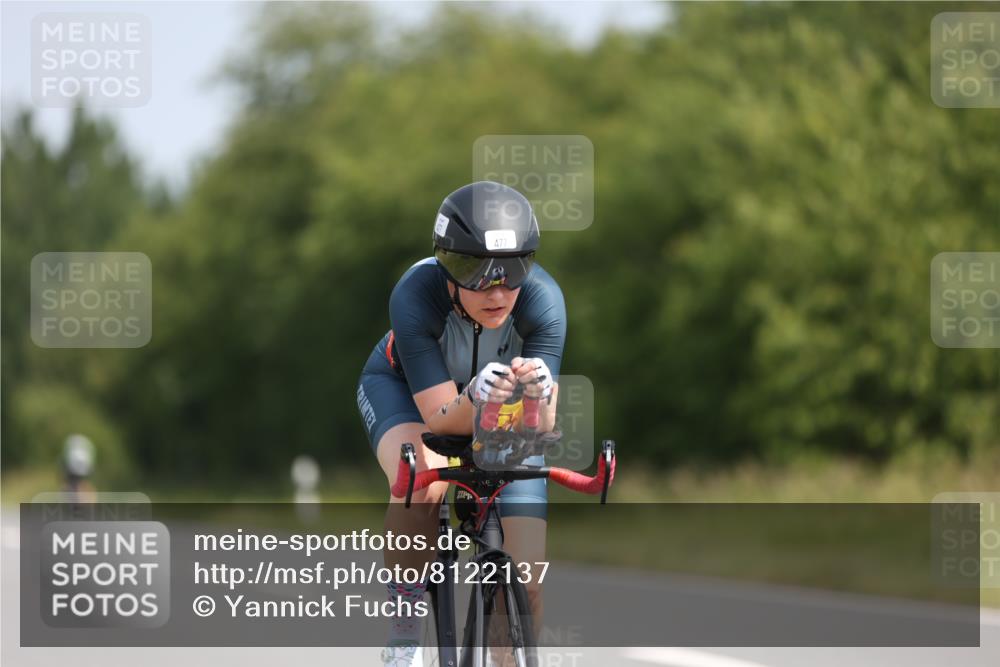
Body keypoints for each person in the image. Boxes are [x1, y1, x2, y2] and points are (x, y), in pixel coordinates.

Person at [357, 181, 565, 666]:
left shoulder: (544, 301)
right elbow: (440, 420)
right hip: (407, 392)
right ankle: (406, 632)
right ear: (447, 267)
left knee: (528, 578)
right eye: (475, 272)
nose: (496, 292)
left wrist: (538, 394)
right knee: (422, 486)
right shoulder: (415, 293)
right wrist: (475, 394)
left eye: (511, 272)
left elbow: (543, 423)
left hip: (502, 410)